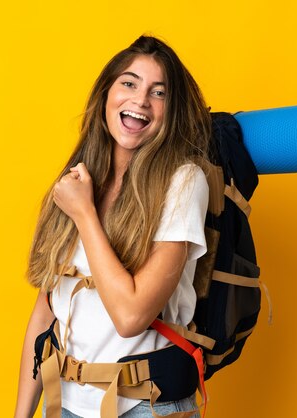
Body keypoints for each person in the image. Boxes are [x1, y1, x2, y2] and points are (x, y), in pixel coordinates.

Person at [14, 35, 212, 418]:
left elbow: (131, 317)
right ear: (106, 93)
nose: (141, 100)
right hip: (65, 402)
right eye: (129, 83)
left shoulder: (183, 182)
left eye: (159, 92)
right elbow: (46, 310)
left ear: (172, 112)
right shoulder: (81, 179)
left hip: (146, 406)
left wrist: (85, 214)